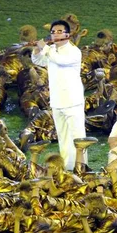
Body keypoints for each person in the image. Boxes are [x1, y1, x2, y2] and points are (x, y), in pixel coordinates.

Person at [32, 19, 86, 170]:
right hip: (57, 101)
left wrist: (46, 49)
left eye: (59, 31)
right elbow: (39, 61)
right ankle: (67, 168)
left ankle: (82, 168)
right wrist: (37, 49)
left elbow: (60, 61)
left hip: (72, 101)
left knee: (78, 138)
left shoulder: (73, 51)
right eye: (53, 32)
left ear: (67, 34)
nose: (55, 34)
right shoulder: (52, 50)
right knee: (63, 137)